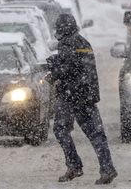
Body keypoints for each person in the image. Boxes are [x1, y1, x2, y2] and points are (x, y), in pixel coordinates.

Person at [46, 14, 117, 185]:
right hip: (86, 95)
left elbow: (69, 68)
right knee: (96, 133)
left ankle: (74, 165)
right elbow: (80, 65)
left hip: (72, 96)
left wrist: (54, 70)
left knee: (61, 129)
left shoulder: (67, 43)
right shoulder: (82, 41)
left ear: (61, 29)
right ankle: (106, 168)